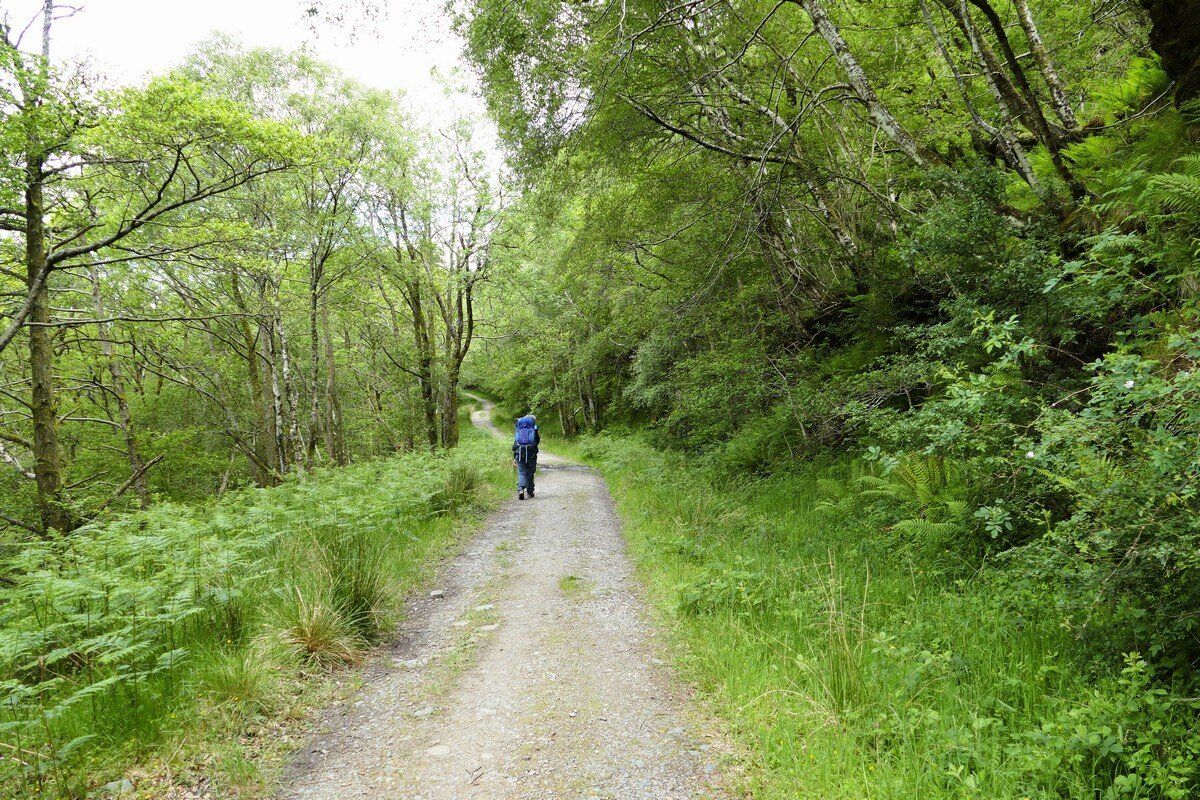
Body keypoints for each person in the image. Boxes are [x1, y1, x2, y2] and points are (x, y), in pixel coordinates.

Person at [512, 413, 540, 500]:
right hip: (531, 454)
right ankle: (530, 492)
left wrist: (515, 457)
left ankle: (520, 489)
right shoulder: (533, 429)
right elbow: (537, 442)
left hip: (520, 454)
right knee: (530, 473)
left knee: (521, 472)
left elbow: (515, 445)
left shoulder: (519, 429)